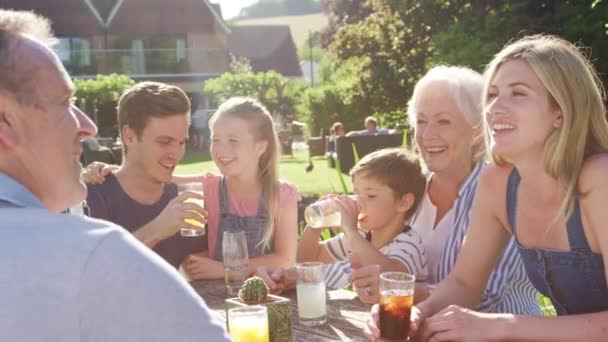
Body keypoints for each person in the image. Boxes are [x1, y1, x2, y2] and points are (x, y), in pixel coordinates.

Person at [0, 9, 229, 341]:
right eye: (65, 102)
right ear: (5, 121)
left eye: (181, 142)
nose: (87, 126)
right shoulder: (92, 250)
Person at [369, 35, 608, 341]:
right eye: (493, 94)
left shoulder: (599, 179)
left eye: (518, 93)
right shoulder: (498, 184)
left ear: (559, 112)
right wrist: (417, 312)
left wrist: (499, 325)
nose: (495, 107)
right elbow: (464, 285)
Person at [353, 66, 541, 314]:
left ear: (478, 130)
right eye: (421, 121)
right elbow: (352, 249)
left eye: (444, 121)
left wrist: (401, 290)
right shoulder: (407, 191)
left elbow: (484, 298)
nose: (428, 135)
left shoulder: (504, 192)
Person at [258, 148, 428, 303]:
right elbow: (307, 260)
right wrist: (315, 228)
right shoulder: (361, 235)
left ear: (404, 203)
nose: (359, 202)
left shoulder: (408, 243)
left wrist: (351, 231)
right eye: (355, 193)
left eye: (370, 195)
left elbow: (391, 276)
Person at [174, 97, 300, 280]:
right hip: (215, 296)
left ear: (260, 146)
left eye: (233, 140)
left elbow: (285, 260)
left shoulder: (281, 195)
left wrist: (227, 269)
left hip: (266, 299)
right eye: (215, 140)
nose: (221, 149)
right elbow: (157, 179)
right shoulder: (209, 187)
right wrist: (118, 172)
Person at [84, 82, 207, 269]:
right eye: (165, 142)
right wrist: (156, 230)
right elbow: (92, 275)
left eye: (182, 142)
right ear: (130, 136)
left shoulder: (183, 202)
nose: (176, 154)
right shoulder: (91, 199)